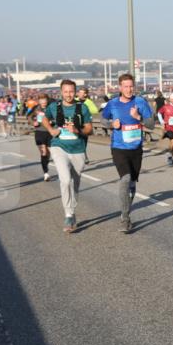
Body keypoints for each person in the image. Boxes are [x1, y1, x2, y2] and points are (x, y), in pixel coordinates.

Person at [101, 73, 155, 233]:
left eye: (131, 86)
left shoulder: (140, 102)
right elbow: (103, 119)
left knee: (132, 184)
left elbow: (151, 124)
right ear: (120, 87)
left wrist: (138, 117)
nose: (129, 89)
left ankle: (127, 209)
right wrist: (111, 124)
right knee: (125, 179)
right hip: (118, 148)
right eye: (126, 86)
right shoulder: (113, 104)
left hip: (136, 150)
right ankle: (125, 218)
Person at [41, 80, 94, 233]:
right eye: (66, 91)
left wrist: (77, 130)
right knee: (65, 180)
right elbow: (43, 118)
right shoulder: (54, 107)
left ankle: (72, 209)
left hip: (78, 149)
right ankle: (68, 215)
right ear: (61, 92)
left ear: (75, 92)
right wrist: (51, 130)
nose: (69, 94)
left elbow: (89, 129)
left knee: (75, 183)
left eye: (71, 91)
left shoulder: (81, 108)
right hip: (59, 147)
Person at [29, 94, 54, 181]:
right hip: (40, 132)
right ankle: (46, 173)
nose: (44, 103)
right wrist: (33, 122)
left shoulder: (52, 108)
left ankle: (46, 165)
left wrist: (52, 121)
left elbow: (58, 117)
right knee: (43, 153)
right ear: (39, 101)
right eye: (42, 102)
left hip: (50, 132)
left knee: (50, 153)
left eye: (45, 102)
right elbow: (28, 117)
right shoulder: (35, 108)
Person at [78, 87, 99, 164]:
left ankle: (84, 154)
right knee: (77, 140)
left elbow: (95, 111)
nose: (80, 94)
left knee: (84, 141)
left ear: (85, 94)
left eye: (82, 93)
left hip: (85, 124)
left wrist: (85, 109)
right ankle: (81, 156)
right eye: (79, 92)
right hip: (76, 124)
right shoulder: (75, 100)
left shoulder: (88, 102)